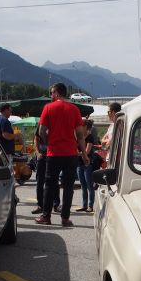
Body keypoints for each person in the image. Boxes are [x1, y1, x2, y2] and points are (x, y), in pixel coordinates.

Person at [35, 83, 88, 227]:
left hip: (54, 153)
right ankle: (65, 218)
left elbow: (41, 131)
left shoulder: (48, 108)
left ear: (57, 93)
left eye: (52, 93)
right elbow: (80, 134)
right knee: (68, 187)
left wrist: (49, 143)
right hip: (71, 153)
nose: (51, 95)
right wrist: (84, 153)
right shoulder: (74, 109)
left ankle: (46, 216)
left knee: (50, 185)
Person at [31, 125, 60, 215]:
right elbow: (36, 139)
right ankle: (40, 205)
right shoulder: (41, 125)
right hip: (42, 156)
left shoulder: (56, 124)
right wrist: (37, 153)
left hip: (53, 156)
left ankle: (56, 204)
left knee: (54, 180)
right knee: (40, 182)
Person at [75, 119, 97, 212]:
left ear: (86, 127)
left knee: (89, 186)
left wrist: (77, 153)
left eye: (82, 126)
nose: (80, 127)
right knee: (83, 186)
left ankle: (90, 206)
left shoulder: (90, 137)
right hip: (79, 164)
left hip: (88, 164)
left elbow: (87, 152)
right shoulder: (79, 136)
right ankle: (84, 205)